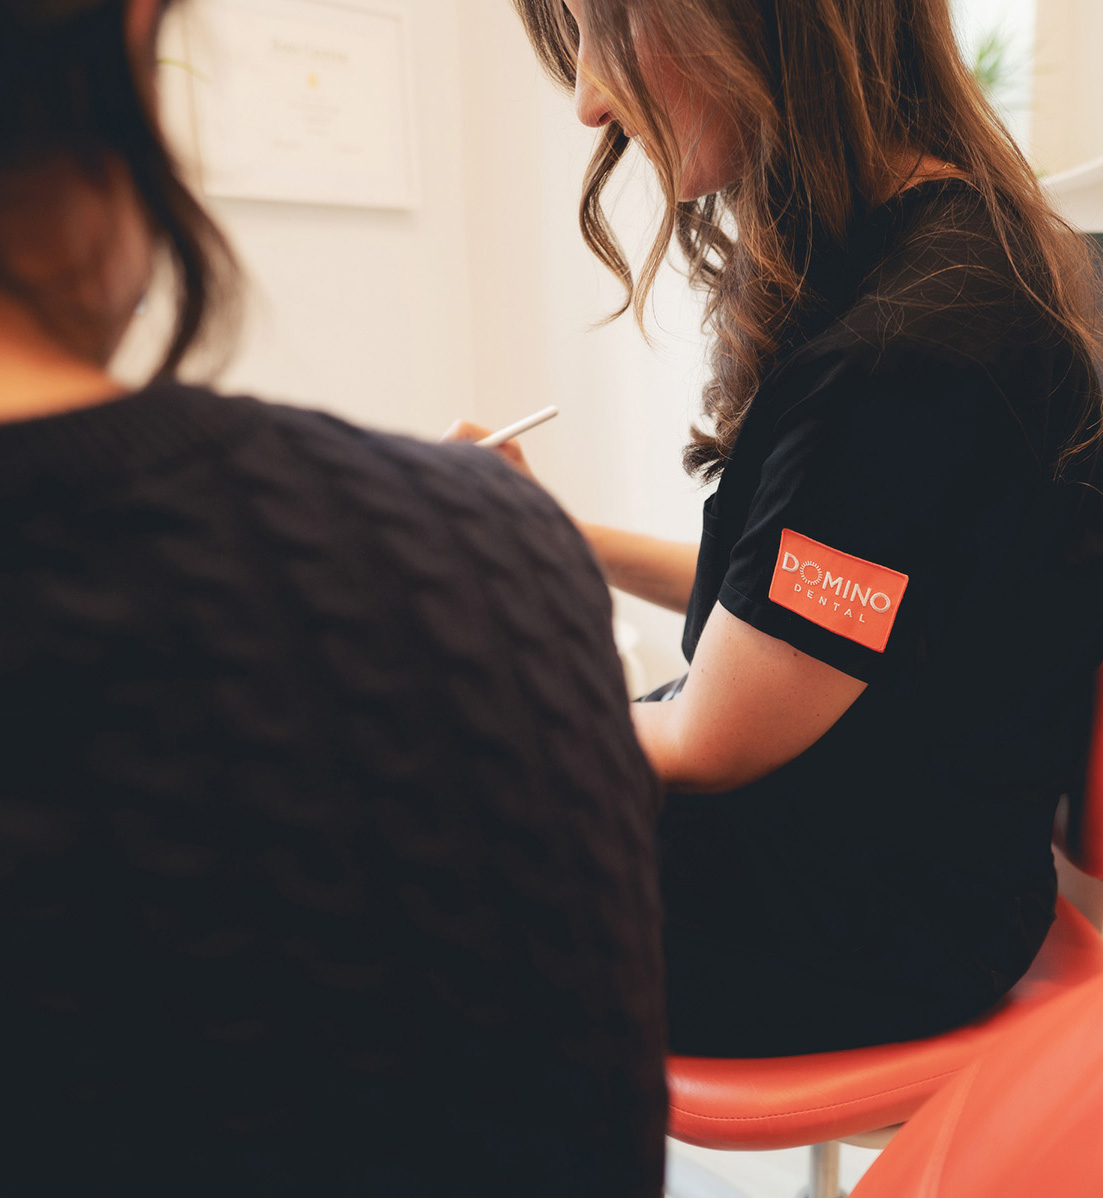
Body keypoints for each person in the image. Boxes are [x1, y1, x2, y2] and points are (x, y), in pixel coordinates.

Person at [0, 1, 667, 1193]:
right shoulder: (471, 559)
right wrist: (524, 557)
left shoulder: (888, 359)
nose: (584, 106)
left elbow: (748, 673)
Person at [448, 0, 1103, 1057]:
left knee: (389, 853)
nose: (587, 100)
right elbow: (784, 611)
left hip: (866, 928)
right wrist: (551, 533)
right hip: (871, 851)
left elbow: (710, 736)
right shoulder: (936, 254)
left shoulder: (907, 356)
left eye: (604, 28)